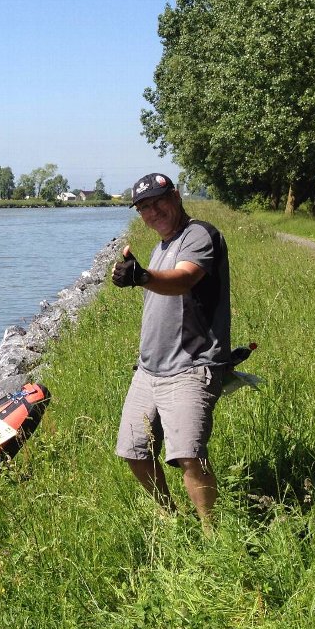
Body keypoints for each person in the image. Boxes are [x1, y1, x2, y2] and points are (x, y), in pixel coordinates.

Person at [112, 173, 231, 527]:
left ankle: (214, 537)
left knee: (189, 456)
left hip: (191, 366)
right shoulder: (160, 246)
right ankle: (171, 517)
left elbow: (184, 279)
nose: (153, 211)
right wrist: (140, 274)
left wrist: (143, 277)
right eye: (144, 207)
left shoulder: (198, 235)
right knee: (133, 451)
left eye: (159, 201)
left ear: (176, 196)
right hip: (149, 370)